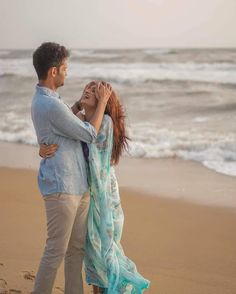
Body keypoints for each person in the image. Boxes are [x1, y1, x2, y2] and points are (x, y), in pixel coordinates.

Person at [40, 81, 150, 293]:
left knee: (100, 250)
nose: (88, 91)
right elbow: (59, 131)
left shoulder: (105, 122)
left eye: (94, 91)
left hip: (104, 194)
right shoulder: (80, 120)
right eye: (86, 89)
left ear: (103, 101)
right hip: (86, 192)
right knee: (90, 251)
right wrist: (42, 148)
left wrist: (103, 103)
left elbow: (95, 161)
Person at [31, 42, 112, 294]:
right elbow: (88, 132)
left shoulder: (51, 102)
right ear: (54, 71)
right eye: (65, 68)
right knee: (56, 251)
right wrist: (103, 102)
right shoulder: (50, 105)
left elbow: (66, 121)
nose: (67, 72)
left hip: (78, 187)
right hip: (63, 188)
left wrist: (78, 104)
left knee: (75, 251)